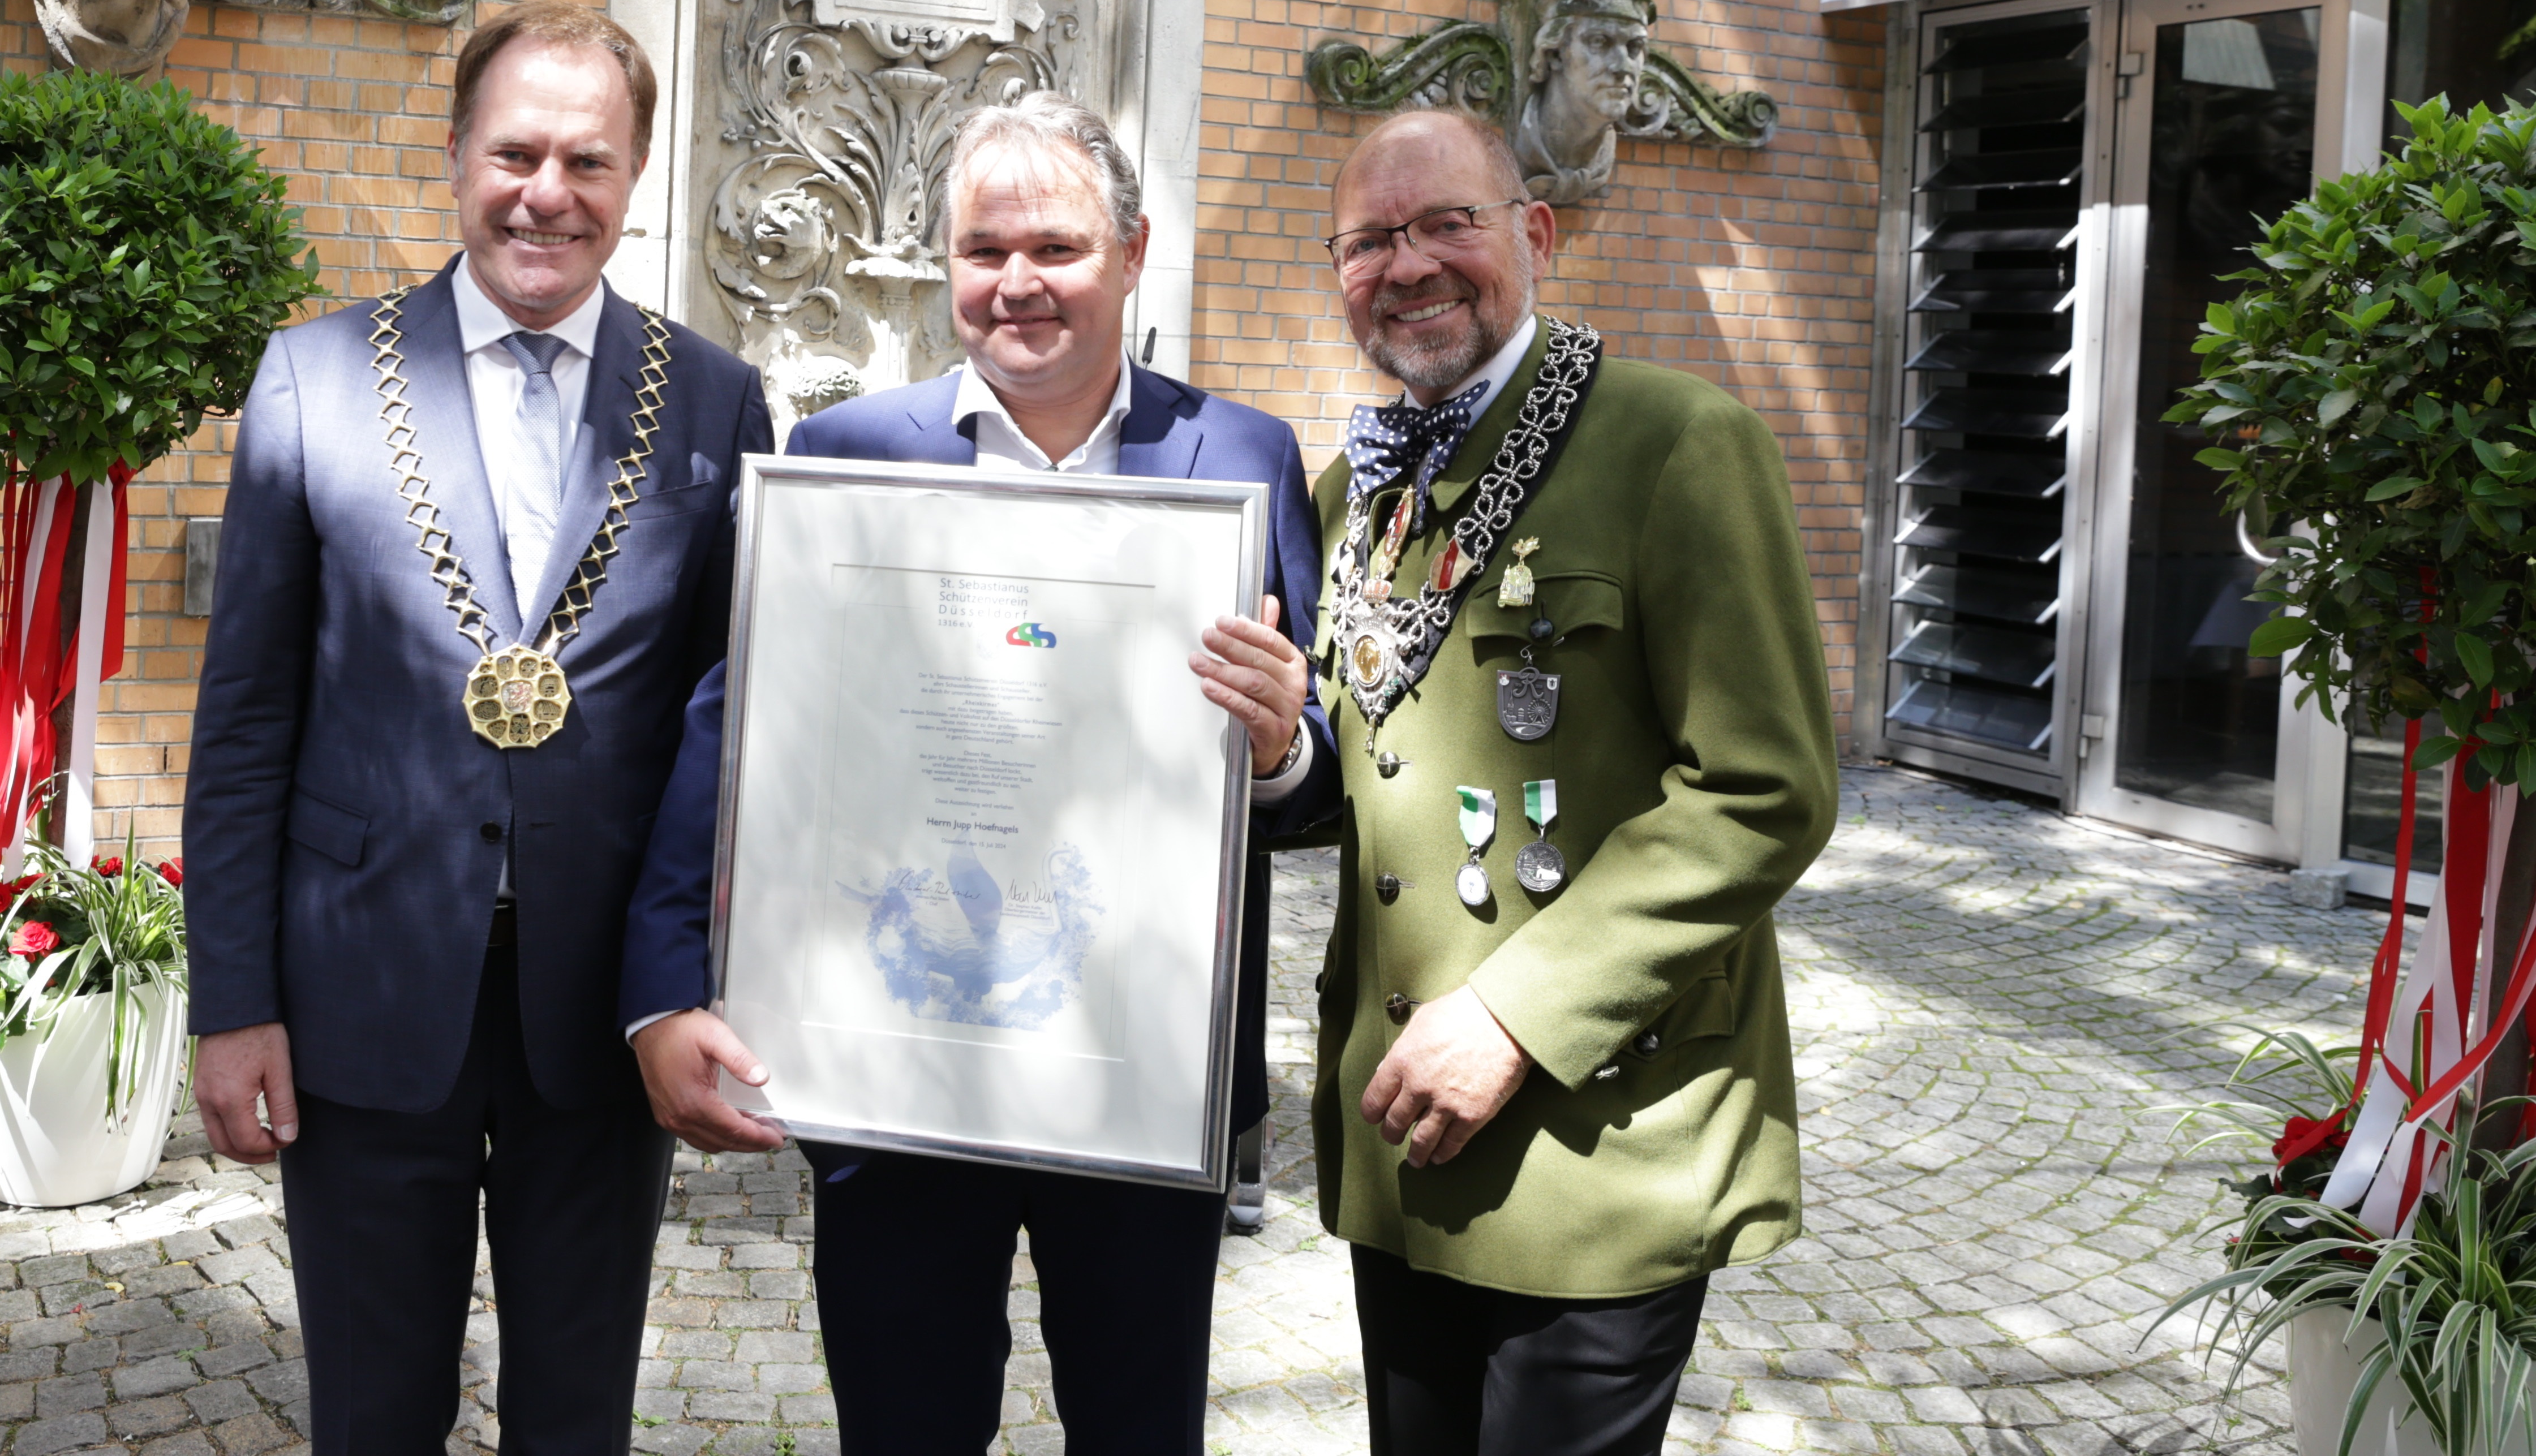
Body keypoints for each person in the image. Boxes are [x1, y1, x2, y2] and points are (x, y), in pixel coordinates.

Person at [620, 92, 1337, 1454]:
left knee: (1138, 1431)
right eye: (982, 251)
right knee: (904, 1428)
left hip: (1139, 1074)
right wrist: (663, 993)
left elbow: (1315, 789)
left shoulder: (1243, 460)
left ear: (1131, 252)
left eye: (1056, 249)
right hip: (895, 1072)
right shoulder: (842, 460)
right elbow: (732, 733)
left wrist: (1284, 744)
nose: (1018, 286)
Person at [180, 2, 773, 1453]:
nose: (547, 194)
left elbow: (733, 732)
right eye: (516, 152)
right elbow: (247, 718)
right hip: (361, 990)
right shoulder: (313, 381)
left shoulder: (715, 398)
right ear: (455, 157)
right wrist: (231, 999)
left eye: (589, 160)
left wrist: (697, 983)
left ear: (634, 182)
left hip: (600, 1009)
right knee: (373, 1414)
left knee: (577, 1414)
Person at [1309, 106, 1837, 1456]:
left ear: (1534, 234)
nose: (1408, 264)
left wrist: (1518, 1016)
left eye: (1447, 224)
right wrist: (1268, 762)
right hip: (1402, 1124)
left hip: (1602, 1128)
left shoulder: (1677, 443)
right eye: (1371, 239)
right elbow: (1352, 765)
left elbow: (1764, 787)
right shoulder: (1351, 493)